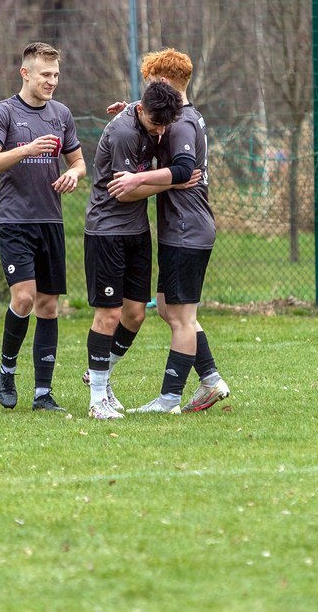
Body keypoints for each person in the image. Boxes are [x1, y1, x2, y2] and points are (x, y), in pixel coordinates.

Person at [106, 48, 231, 414]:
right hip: (183, 229)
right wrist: (134, 111)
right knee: (168, 308)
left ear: (163, 81)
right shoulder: (180, 116)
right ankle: (210, 379)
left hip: (187, 229)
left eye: (150, 83)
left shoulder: (183, 123)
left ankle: (169, 399)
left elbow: (184, 168)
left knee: (182, 317)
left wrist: (137, 179)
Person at [0, 42, 86, 411]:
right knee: (24, 298)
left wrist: (73, 174)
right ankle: (7, 371)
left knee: (49, 306)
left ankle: (43, 394)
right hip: (14, 220)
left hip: (50, 219)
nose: (52, 81)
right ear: (25, 73)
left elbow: (78, 162)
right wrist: (26, 149)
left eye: (56, 75)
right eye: (45, 75)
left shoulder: (61, 114)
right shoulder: (4, 112)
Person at [83, 81, 187, 420]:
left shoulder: (148, 115)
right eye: (155, 125)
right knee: (109, 315)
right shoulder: (124, 133)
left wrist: (151, 179)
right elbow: (124, 193)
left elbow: (139, 180)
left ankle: (100, 376)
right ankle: (97, 400)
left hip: (137, 232)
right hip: (107, 231)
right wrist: (171, 181)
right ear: (141, 111)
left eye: (165, 126)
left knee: (135, 314)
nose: (160, 132)